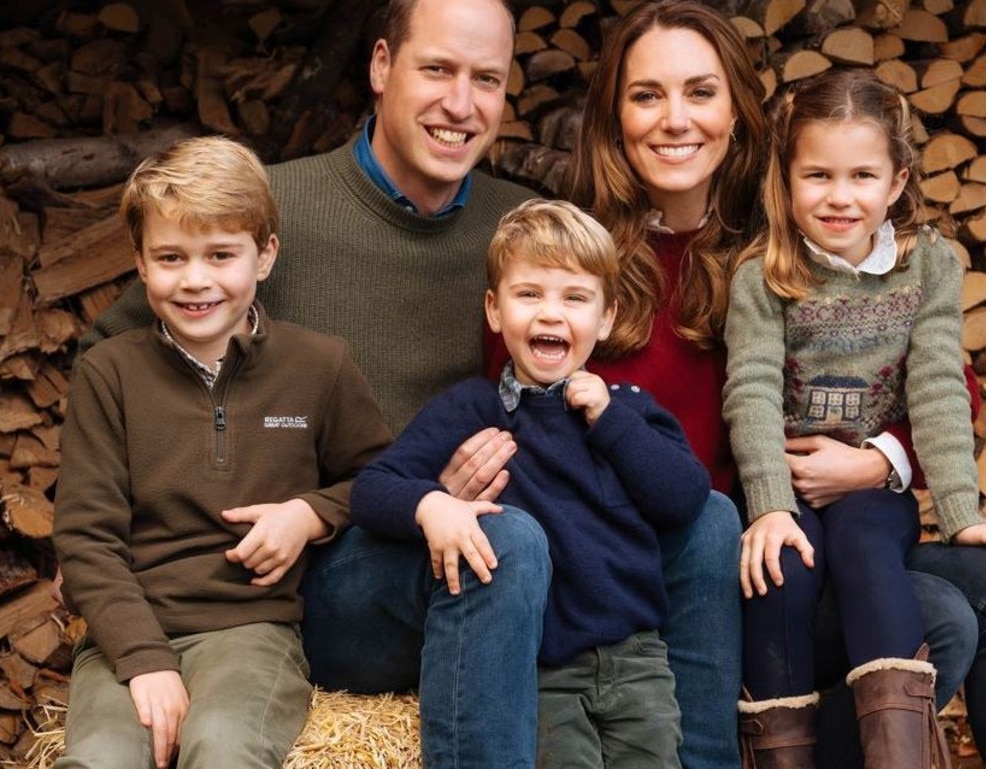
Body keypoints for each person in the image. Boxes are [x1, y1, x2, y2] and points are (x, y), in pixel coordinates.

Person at [77, 1, 748, 766]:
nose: (460, 104)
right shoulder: (272, 213)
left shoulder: (523, 227)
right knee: (508, 539)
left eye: (486, 79)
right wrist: (232, 505)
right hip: (345, 571)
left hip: (495, 561)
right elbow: (124, 357)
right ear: (381, 67)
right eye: (437, 69)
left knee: (709, 520)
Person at [556, 2, 986, 767]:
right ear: (612, 114)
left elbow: (947, 381)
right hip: (691, 559)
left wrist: (880, 461)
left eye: (700, 91)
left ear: (736, 110)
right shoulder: (575, 260)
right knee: (943, 616)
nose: (674, 120)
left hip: (817, 526)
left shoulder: (787, 238)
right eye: (646, 94)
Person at [51, 136, 392, 769]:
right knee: (98, 759)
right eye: (171, 256)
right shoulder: (108, 373)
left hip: (251, 631)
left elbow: (379, 477)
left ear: (265, 256)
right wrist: (145, 660)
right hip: (123, 634)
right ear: (140, 262)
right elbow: (85, 538)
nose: (196, 279)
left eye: (221, 254)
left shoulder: (320, 366)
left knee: (225, 749)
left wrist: (310, 513)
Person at [723, 68, 986, 768]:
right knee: (781, 570)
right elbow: (753, 388)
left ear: (896, 181)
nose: (839, 196)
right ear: (786, 180)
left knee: (865, 547)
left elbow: (941, 387)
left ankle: (898, 754)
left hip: (871, 490)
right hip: (784, 487)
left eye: (862, 175)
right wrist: (768, 505)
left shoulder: (931, 267)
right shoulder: (764, 273)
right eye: (818, 175)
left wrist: (960, 510)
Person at [353, 198, 709, 768]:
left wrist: (609, 423)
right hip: (543, 669)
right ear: (494, 310)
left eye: (575, 298)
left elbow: (686, 498)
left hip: (638, 659)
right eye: (530, 294)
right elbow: (373, 488)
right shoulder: (471, 409)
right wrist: (432, 506)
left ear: (607, 318)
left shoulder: (628, 411)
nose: (551, 314)